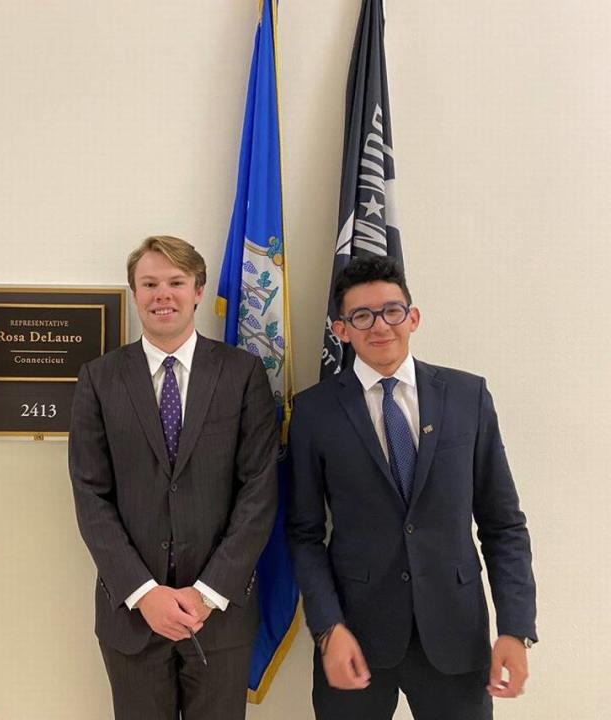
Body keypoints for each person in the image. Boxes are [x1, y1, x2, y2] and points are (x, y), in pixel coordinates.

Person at [287, 256, 537, 720]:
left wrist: (515, 628)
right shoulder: (313, 412)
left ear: (413, 317)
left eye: (392, 311)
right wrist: (327, 628)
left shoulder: (468, 397)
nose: (379, 326)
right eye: (362, 316)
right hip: (354, 636)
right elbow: (303, 534)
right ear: (341, 329)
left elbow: (503, 525)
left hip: (455, 636)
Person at [69, 236, 278, 719]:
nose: (162, 294)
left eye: (176, 282)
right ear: (135, 293)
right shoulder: (99, 379)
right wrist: (145, 594)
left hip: (221, 615)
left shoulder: (242, 374)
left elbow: (259, 492)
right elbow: (90, 495)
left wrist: (205, 594)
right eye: (150, 284)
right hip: (131, 615)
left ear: (199, 290)